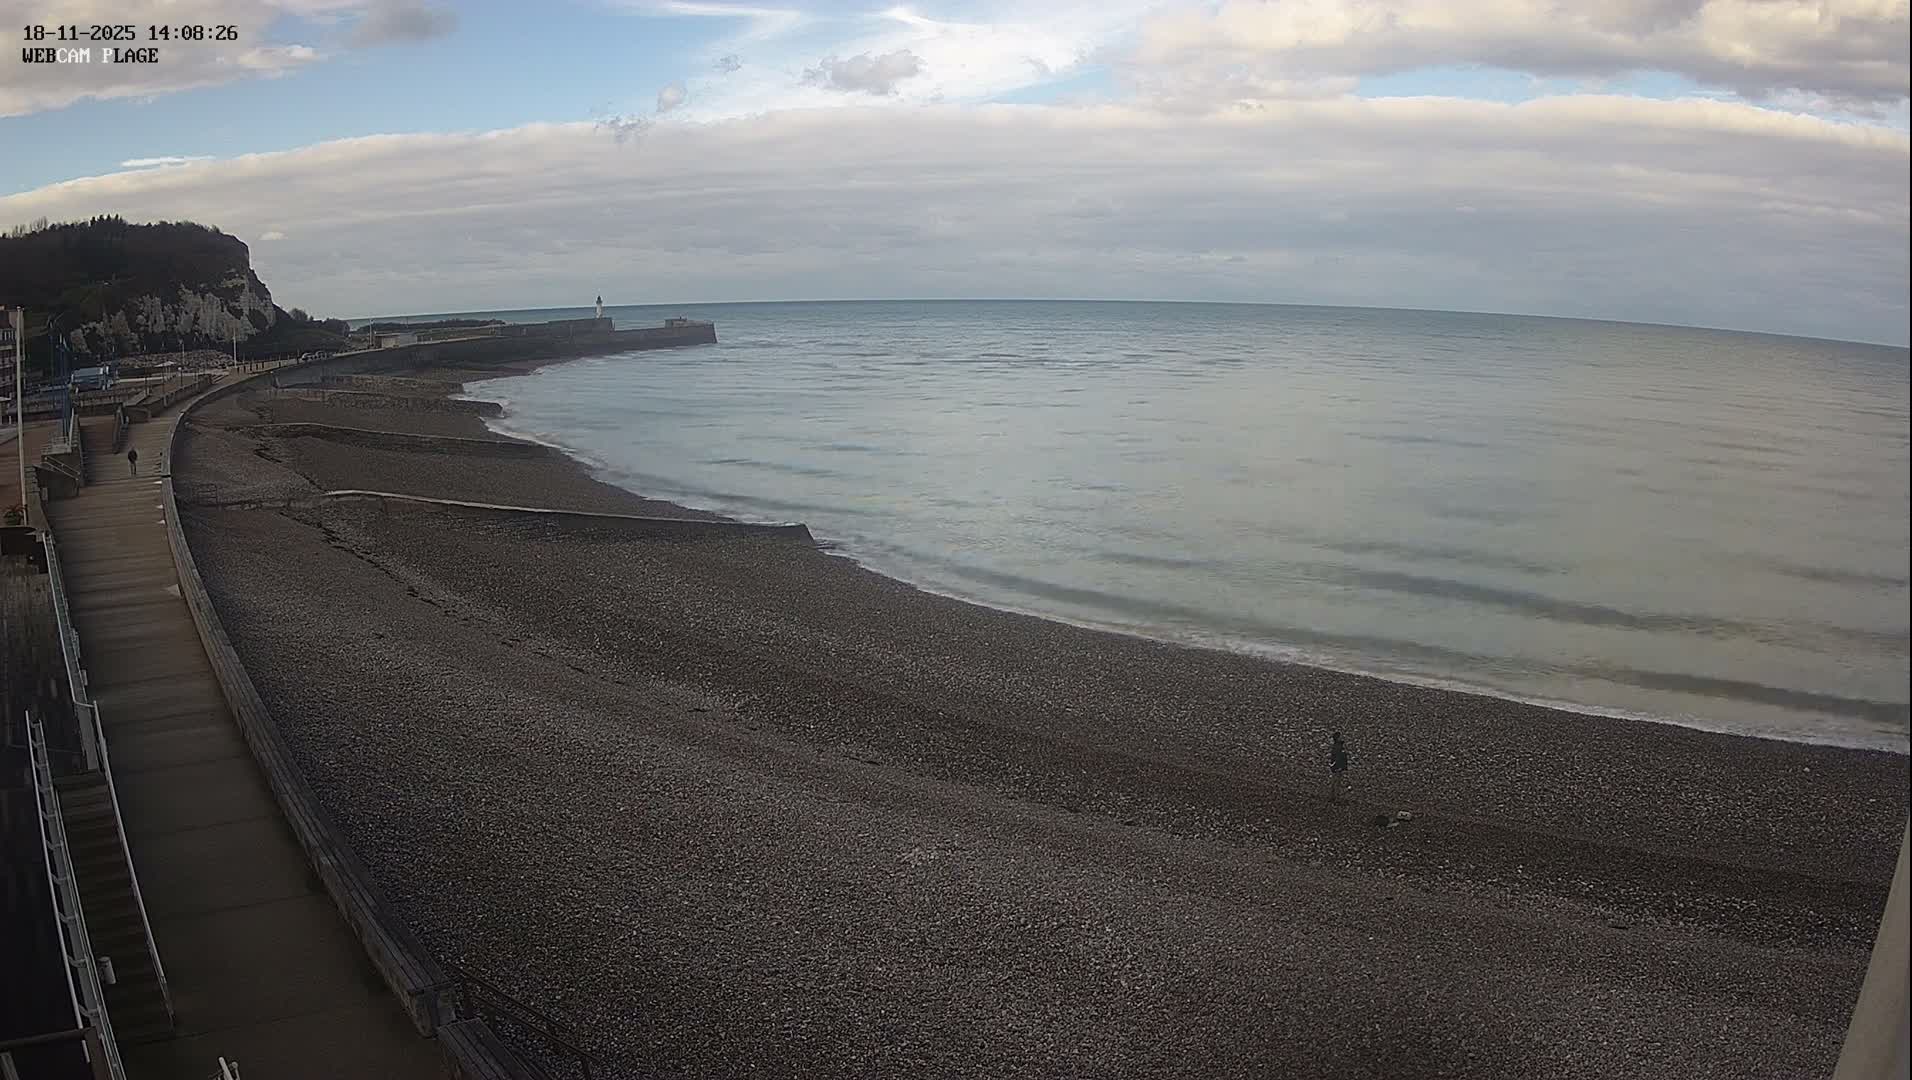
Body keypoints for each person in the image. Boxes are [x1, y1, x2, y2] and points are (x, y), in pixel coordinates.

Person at [1328, 731, 1351, 803]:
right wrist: (1338, 766)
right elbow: (1338, 758)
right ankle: (1336, 798)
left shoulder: (1337, 746)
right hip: (1337, 767)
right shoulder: (1338, 747)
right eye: (1340, 736)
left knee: (1334, 782)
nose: (1342, 737)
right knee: (1337, 782)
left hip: (1335, 767)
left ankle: (1333, 797)